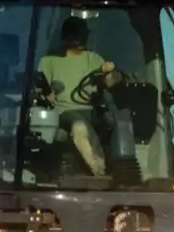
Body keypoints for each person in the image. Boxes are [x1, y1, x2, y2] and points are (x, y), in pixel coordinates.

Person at [38, 16, 118, 176]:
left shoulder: (93, 59)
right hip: (65, 111)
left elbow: (110, 82)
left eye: (82, 34)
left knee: (119, 122)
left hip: (92, 109)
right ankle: (99, 169)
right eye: (75, 34)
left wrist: (109, 72)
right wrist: (48, 95)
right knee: (79, 125)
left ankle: (127, 170)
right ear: (66, 36)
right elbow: (42, 88)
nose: (79, 38)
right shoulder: (49, 61)